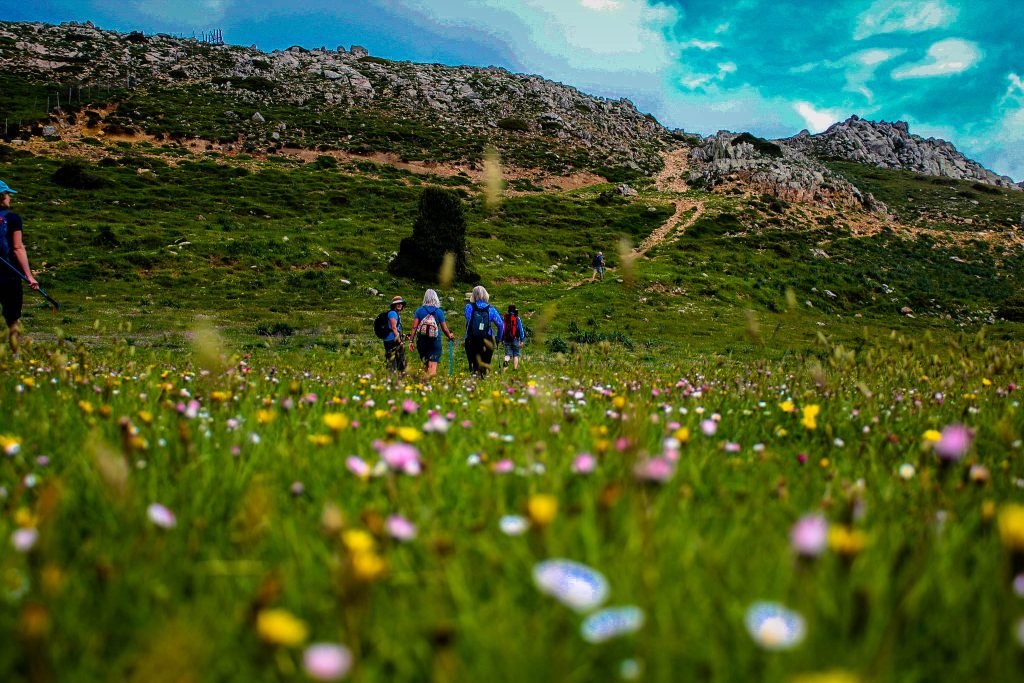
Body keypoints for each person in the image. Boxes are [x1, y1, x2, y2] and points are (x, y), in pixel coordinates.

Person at [0, 180, 39, 356]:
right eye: (7, 194)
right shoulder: (13, 218)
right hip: (9, 275)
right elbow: (17, 248)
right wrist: (29, 276)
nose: (9, 197)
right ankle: (15, 355)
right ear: (1, 197)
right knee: (12, 318)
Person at [410, 289, 455, 377]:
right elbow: (444, 328)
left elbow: (414, 327)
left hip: (422, 342)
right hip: (435, 342)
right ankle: (431, 387)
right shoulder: (439, 312)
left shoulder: (419, 311)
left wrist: (411, 341)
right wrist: (449, 336)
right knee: (432, 367)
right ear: (436, 298)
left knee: (425, 366)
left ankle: (424, 386)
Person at [464, 285, 503, 377]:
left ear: (473, 295)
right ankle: (483, 379)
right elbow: (500, 325)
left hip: (471, 339)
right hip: (487, 339)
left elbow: (468, 318)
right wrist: (498, 338)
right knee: (485, 364)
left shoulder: (468, 307)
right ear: (486, 295)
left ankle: (474, 377)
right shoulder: (491, 309)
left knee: (474, 364)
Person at [383, 295, 407, 373]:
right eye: (398, 303)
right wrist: (399, 341)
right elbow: (394, 328)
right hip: (393, 341)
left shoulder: (393, 313)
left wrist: (403, 336)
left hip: (389, 339)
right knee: (400, 361)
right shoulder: (393, 313)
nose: (400, 305)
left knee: (391, 360)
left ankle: (391, 380)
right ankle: (399, 379)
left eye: (401, 303)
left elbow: (396, 328)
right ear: (394, 305)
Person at [502, 304, 526, 370]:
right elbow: (521, 330)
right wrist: (522, 340)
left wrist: (502, 339)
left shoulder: (505, 317)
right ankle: (515, 369)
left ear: (508, 310)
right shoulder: (517, 318)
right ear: (515, 309)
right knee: (516, 354)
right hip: (515, 338)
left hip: (506, 338)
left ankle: (506, 361)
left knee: (507, 354)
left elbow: (502, 329)